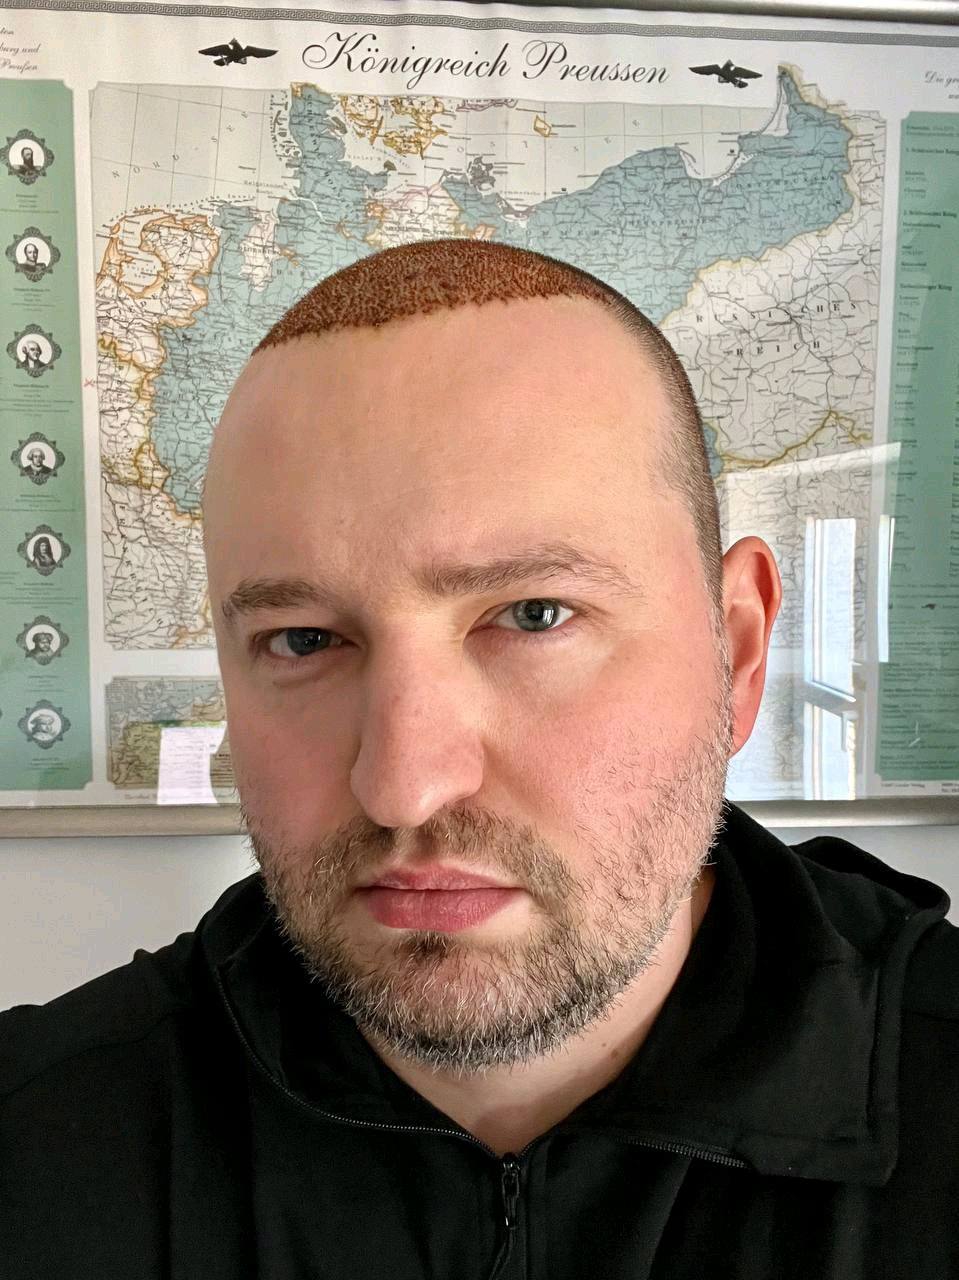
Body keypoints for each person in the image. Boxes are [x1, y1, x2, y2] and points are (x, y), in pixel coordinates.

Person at [1, 240, 956, 1280]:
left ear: (734, 650)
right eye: (303, 639)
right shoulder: (34, 1147)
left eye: (532, 614)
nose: (403, 785)